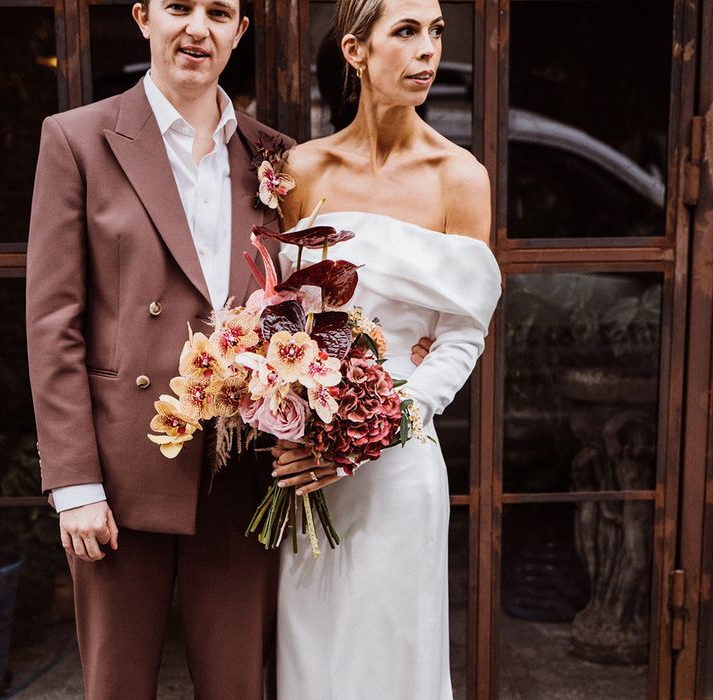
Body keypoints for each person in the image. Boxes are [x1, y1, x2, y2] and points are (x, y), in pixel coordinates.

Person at [25, 0, 297, 696]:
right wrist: (75, 484)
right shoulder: (78, 139)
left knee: (237, 685)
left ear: (241, 31)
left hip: (239, 472)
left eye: (219, 12)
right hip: (118, 474)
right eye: (179, 7)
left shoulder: (273, 155)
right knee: (116, 687)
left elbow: (289, 312)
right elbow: (54, 320)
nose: (197, 28)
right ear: (143, 16)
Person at [271, 0, 502, 697]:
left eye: (435, 32)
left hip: (400, 461)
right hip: (307, 470)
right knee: (312, 660)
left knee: (392, 662)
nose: (428, 49)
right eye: (406, 31)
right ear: (355, 51)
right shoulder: (302, 170)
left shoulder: (457, 178)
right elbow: (280, 313)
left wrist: (373, 431)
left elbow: (464, 330)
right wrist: (288, 414)